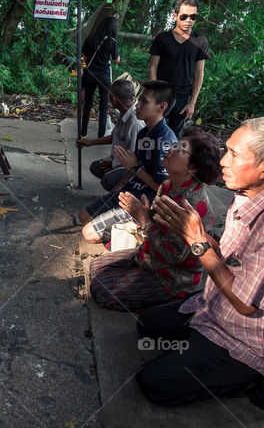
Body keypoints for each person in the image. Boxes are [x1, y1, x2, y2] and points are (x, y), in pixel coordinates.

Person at [134, 116, 264, 410]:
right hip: (214, 306)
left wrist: (197, 243)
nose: (223, 162)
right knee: (147, 325)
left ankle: (259, 379)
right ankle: (199, 347)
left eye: (234, 154)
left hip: (249, 334)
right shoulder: (248, 192)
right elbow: (230, 256)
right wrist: (188, 232)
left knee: (154, 383)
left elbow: (245, 303)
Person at [90, 130, 222, 312]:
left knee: (99, 289)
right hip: (151, 255)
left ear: (193, 168)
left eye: (180, 149)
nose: (171, 149)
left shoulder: (192, 204)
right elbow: (156, 227)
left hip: (172, 277)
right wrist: (144, 214)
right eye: (175, 144)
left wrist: (144, 220)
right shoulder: (168, 185)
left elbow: (173, 256)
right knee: (95, 267)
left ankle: (169, 301)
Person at [79, 80, 177, 244]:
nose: (137, 106)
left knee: (88, 234)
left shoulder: (165, 141)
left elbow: (164, 189)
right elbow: (133, 169)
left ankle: (143, 233)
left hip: (143, 202)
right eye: (140, 100)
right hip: (130, 190)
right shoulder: (144, 133)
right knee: (84, 216)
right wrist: (120, 187)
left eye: (144, 102)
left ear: (162, 107)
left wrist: (134, 168)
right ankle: (124, 230)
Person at [148, 0, 209, 137]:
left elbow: (199, 73)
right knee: (153, 132)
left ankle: (168, 159)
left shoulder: (200, 41)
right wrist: (153, 94)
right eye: (184, 17)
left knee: (174, 137)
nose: (188, 21)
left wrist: (192, 103)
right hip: (161, 93)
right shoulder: (162, 39)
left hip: (182, 97)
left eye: (193, 17)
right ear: (175, 16)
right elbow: (153, 67)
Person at [76, 79, 144, 192]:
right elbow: (114, 137)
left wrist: (119, 179)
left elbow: (137, 162)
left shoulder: (136, 122)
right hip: (121, 162)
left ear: (114, 99)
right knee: (96, 167)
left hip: (132, 168)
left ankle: (123, 194)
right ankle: (118, 189)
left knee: (108, 181)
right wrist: (90, 142)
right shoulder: (125, 111)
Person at [80, 16, 120, 138]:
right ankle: (101, 135)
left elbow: (83, 57)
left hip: (90, 75)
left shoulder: (90, 38)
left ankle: (83, 134)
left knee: (87, 104)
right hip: (104, 77)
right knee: (103, 106)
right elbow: (116, 60)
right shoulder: (112, 41)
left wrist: (83, 68)